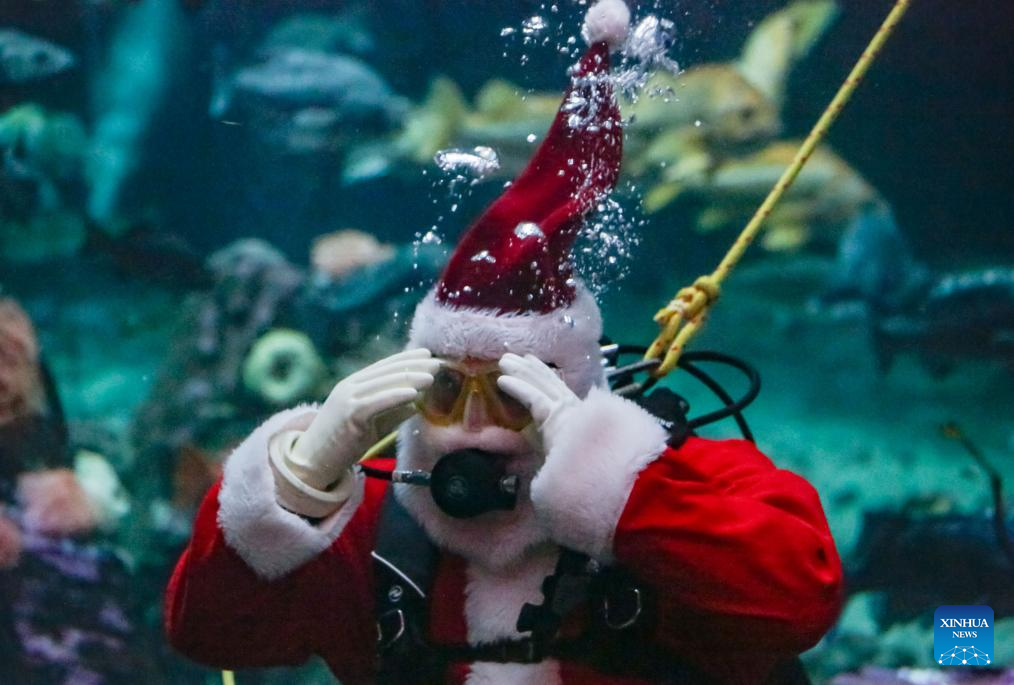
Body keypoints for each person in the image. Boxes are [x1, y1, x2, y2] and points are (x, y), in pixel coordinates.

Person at [165, 2, 843, 682]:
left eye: (514, 393)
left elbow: (799, 600)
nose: (475, 429)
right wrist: (298, 481)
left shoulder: (684, 484)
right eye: (446, 389)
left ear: (570, 385)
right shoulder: (372, 518)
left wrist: (621, 492)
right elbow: (211, 633)